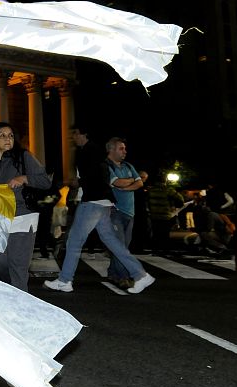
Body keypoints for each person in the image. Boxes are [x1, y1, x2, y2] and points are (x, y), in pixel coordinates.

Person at [44, 125, 155, 294]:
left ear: (83, 134)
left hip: (92, 202)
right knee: (113, 242)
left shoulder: (86, 152)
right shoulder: (98, 153)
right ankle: (140, 274)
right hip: (104, 202)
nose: (73, 137)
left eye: (75, 133)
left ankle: (65, 280)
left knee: (74, 241)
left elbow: (90, 177)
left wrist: (76, 183)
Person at [0, 122, 52, 291]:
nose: (7, 139)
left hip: (23, 216)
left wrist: (24, 178)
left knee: (18, 265)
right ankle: (13, 290)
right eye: (2, 135)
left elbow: (45, 182)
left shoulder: (23, 157)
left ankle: (21, 304)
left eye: (10, 136)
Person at [104, 137, 143, 289]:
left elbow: (139, 183)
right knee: (121, 247)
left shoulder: (128, 165)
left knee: (123, 246)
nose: (125, 151)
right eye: (121, 148)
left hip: (130, 213)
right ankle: (123, 277)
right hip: (115, 212)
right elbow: (116, 182)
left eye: (125, 148)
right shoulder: (106, 166)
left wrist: (125, 186)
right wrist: (130, 180)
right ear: (111, 149)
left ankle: (113, 272)